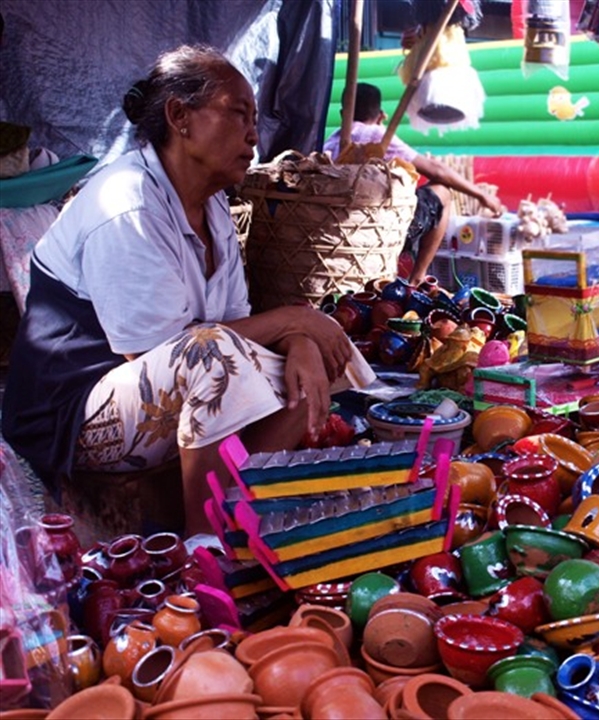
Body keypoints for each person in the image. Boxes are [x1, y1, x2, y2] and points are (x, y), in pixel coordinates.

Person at [1, 45, 354, 536]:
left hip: (149, 395)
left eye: (255, 118)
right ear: (179, 117)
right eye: (237, 114)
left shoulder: (214, 212)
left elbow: (242, 325)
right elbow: (162, 350)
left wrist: (301, 339)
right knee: (210, 354)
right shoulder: (125, 202)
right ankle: (203, 543)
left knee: (322, 354)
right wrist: (297, 320)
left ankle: (238, 503)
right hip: (73, 417)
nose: (255, 134)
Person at [322, 82, 504, 286]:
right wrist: (482, 195)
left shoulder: (332, 140)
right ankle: (418, 277)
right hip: (375, 227)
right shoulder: (378, 137)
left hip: (334, 225)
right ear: (381, 115)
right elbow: (437, 171)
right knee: (442, 191)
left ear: (342, 113)